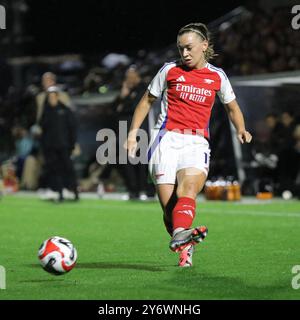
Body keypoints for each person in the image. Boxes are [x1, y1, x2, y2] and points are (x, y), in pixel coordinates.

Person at [125, 23, 252, 267]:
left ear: (204, 46)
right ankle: (183, 238)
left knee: (188, 191)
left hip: (196, 142)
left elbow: (232, 107)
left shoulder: (217, 76)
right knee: (169, 209)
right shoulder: (169, 70)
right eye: (180, 49)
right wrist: (132, 133)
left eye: (189, 48)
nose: (184, 54)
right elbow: (146, 101)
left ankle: (183, 243)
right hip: (166, 139)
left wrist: (241, 129)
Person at [40, 86, 79, 202]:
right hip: (51, 147)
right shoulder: (46, 112)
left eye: (53, 96)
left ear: (57, 97)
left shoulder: (65, 110)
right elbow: (43, 128)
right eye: (50, 97)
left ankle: (75, 191)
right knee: (55, 170)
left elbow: (72, 128)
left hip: (64, 146)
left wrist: (72, 144)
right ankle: (60, 192)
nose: (52, 99)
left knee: (69, 169)